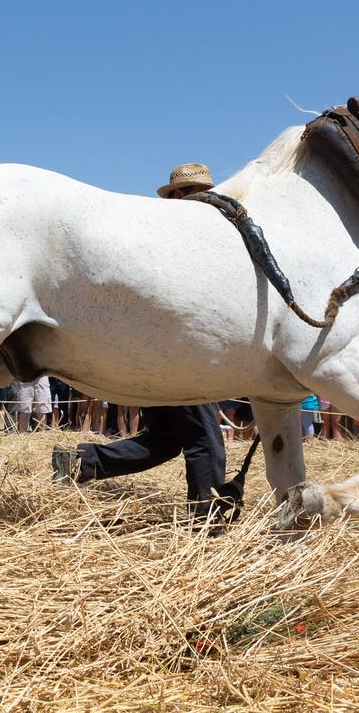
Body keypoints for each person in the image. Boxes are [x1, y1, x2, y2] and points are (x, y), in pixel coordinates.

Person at [50, 163, 232, 518]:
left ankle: (79, 463)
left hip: (157, 354)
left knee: (163, 442)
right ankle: (207, 524)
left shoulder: (192, 241)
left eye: (206, 191)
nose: (204, 199)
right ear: (177, 197)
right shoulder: (173, 241)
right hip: (173, 354)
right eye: (195, 192)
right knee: (206, 441)